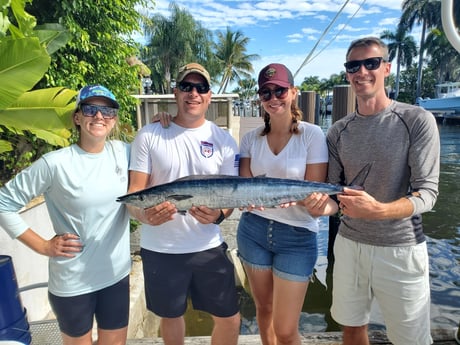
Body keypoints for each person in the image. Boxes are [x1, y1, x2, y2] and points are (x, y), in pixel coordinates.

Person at [327, 36, 440, 345]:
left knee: (410, 338)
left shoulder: (417, 120)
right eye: (353, 66)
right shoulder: (338, 131)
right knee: (351, 327)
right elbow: (334, 196)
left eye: (371, 63)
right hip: (349, 245)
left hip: (401, 247)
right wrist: (317, 206)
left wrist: (380, 210)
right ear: (347, 73)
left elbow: (427, 193)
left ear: (386, 68)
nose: (362, 71)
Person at [0, 85, 131, 345]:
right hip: (73, 283)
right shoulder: (55, 163)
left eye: (107, 110)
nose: (99, 116)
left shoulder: (124, 152)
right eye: (90, 109)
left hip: (116, 276)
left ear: (114, 118)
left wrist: (165, 120)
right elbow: (4, 203)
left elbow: (157, 147)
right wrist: (43, 245)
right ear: (77, 117)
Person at [127, 62, 241, 345]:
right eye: (186, 87)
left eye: (200, 88)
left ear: (209, 95)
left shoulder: (225, 140)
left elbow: (231, 198)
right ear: (175, 93)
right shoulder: (149, 135)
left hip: (208, 246)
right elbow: (134, 193)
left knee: (230, 318)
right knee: (171, 316)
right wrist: (145, 215)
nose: (193, 93)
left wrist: (218, 215)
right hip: (161, 249)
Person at [236, 63, 338, 345]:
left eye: (280, 90)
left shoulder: (312, 135)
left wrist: (320, 204)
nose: (273, 97)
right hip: (252, 232)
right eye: (266, 92)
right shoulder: (249, 139)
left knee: (285, 329)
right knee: (263, 310)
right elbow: (245, 187)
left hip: (297, 235)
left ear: (293, 92)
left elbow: (312, 191)